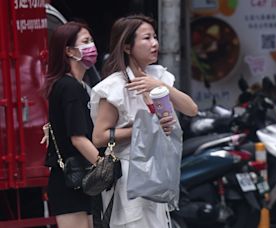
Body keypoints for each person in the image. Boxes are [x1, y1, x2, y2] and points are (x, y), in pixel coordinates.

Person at [90, 15, 198, 227]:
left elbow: (192, 109)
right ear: (128, 47)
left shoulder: (160, 77)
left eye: (155, 37)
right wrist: (145, 129)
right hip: (129, 175)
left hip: (158, 171)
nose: (155, 43)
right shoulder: (114, 87)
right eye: (147, 38)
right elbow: (99, 137)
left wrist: (159, 85)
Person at [43, 22, 100, 228]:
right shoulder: (70, 88)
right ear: (68, 50)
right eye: (85, 42)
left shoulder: (78, 86)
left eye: (91, 41)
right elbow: (78, 138)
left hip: (79, 179)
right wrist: (106, 169)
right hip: (71, 180)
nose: (91, 46)